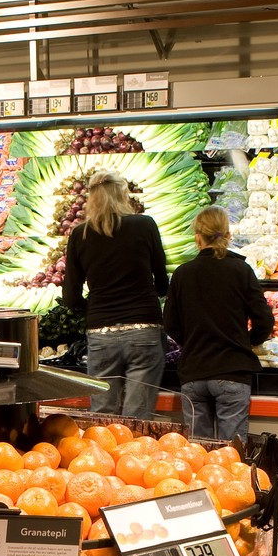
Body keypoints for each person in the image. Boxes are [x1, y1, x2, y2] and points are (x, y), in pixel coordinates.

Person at [61, 172, 169, 419]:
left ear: (91, 198)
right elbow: (163, 284)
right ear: (123, 194)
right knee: (138, 417)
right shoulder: (145, 225)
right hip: (144, 329)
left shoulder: (80, 234)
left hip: (101, 333)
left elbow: (70, 296)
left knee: (102, 416)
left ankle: (104, 457)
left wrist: (93, 307)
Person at [163, 206, 272, 443]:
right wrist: (247, 342)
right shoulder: (241, 270)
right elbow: (264, 320)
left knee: (198, 456)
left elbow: (170, 324)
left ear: (197, 238)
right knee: (231, 456)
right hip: (232, 371)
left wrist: (192, 341)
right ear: (228, 235)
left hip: (193, 373)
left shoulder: (182, 274)